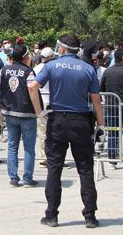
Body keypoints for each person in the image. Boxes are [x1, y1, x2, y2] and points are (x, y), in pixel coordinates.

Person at [35, 35, 103, 229]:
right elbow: (96, 100)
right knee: (85, 169)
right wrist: (101, 125)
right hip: (81, 120)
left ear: (63, 49)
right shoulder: (88, 68)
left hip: (58, 120)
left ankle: (52, 215)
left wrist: (39, 112)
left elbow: (33, 87)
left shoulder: (51, 66)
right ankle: (90, 216)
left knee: (54, 168)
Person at [0, 43, 42, 187]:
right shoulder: (28, 72)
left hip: (9, 112)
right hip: (27, 113)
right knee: (28, 148)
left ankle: (13, 178)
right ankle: (27, 178)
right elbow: (32, 91)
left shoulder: (4, 70)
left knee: (12, 146)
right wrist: (39, 111)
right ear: (26, 56)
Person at [33, 47, 54, 167]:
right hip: (51, 101)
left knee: (42, 132)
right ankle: (52, 156)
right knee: (54, 131)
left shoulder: (36, 68)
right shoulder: (53, 68)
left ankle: (43, 157)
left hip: (40, 102)